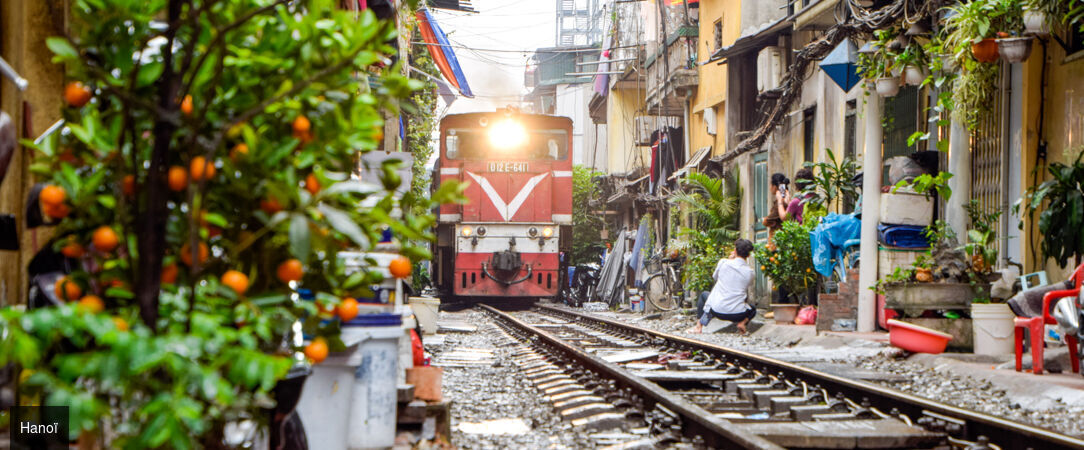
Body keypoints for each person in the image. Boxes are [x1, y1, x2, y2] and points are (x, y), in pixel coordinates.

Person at [688, 239, 756, 335]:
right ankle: (742, 323)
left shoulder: (724, 262)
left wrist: (729, 260)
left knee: (705, 296)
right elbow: (747, 285)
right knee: (752, 308)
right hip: (738, 314)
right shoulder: (750, 272)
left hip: (717, 311)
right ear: (748, 255)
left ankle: (699, 327)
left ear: (735, 251)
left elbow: (715, 277)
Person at [762, 173, 792, 246]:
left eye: (770, 185)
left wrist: (765, 219)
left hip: (777, 241)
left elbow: (768, 220)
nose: (769, 187)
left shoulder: (780, 203)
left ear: (775, 187)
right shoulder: (786, 199)